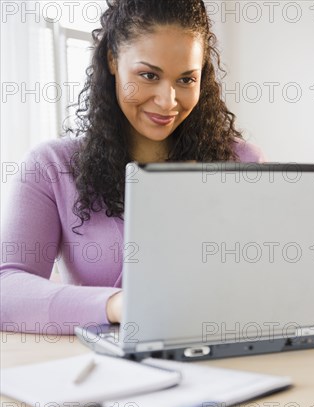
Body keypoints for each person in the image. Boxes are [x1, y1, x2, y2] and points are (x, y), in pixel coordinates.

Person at [0, 0, 264, 334]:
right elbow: (5, 289)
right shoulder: (51, 167)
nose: (168, 101)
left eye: (186, 80)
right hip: (107, 370)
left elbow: (268, 281)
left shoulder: (241, 164)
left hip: (228, 361)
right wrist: (116, 305)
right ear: (112, 60)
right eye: (148, 75)